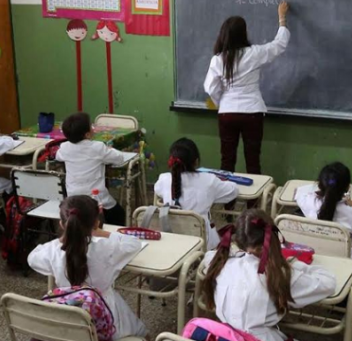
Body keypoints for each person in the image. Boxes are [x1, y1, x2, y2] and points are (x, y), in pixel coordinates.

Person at [202, 209, 336, 341]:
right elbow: (328, 283)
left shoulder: (221, 263)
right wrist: (294, 264)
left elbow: (209, 256)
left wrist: (237, 253)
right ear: (273, 237)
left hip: (223, 336)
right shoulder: (280, 274)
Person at [28, 195, 147, 339]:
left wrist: (64, 237)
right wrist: (99, 231)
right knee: (142, 333)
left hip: (67, 318)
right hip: (105, 317)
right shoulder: (106, 248)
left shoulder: (52, 251)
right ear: (96, 223)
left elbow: (32, 258)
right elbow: (133, 243)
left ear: (61, 224)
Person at [204, 1, 290, 181]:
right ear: (243, 34)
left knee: (227, 162)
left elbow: (211, 88)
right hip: (252, 112)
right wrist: (282, 19)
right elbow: (279, 45)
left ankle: (228, 205)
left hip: (227, 113)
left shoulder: (218, 59)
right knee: (253, 161)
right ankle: (254, 205)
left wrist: (223, 102)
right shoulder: (254, 53)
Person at [295, 162, 352, 291]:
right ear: (348, 187)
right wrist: (348, 201)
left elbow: (299, 192)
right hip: (342, 261)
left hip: (311, 258)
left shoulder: (309, 202)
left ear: (319, 185)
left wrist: (320, 191)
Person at [154, 137, 238, 250]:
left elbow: (157, 190)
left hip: (172, 241)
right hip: (203, 244)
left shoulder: (164, 179)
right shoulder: (209, 180)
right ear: (196, 161)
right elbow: (233, 191)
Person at [56, 112, 127, 225]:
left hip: (73, 198)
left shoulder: (64, 147)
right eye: (91, 126)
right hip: (96, 198)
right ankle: (111, 237)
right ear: (88, 135)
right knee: (119, 214)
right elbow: (119, 158)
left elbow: (58, 156)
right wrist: (109, 149)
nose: (93, 128)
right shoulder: (97, 147)